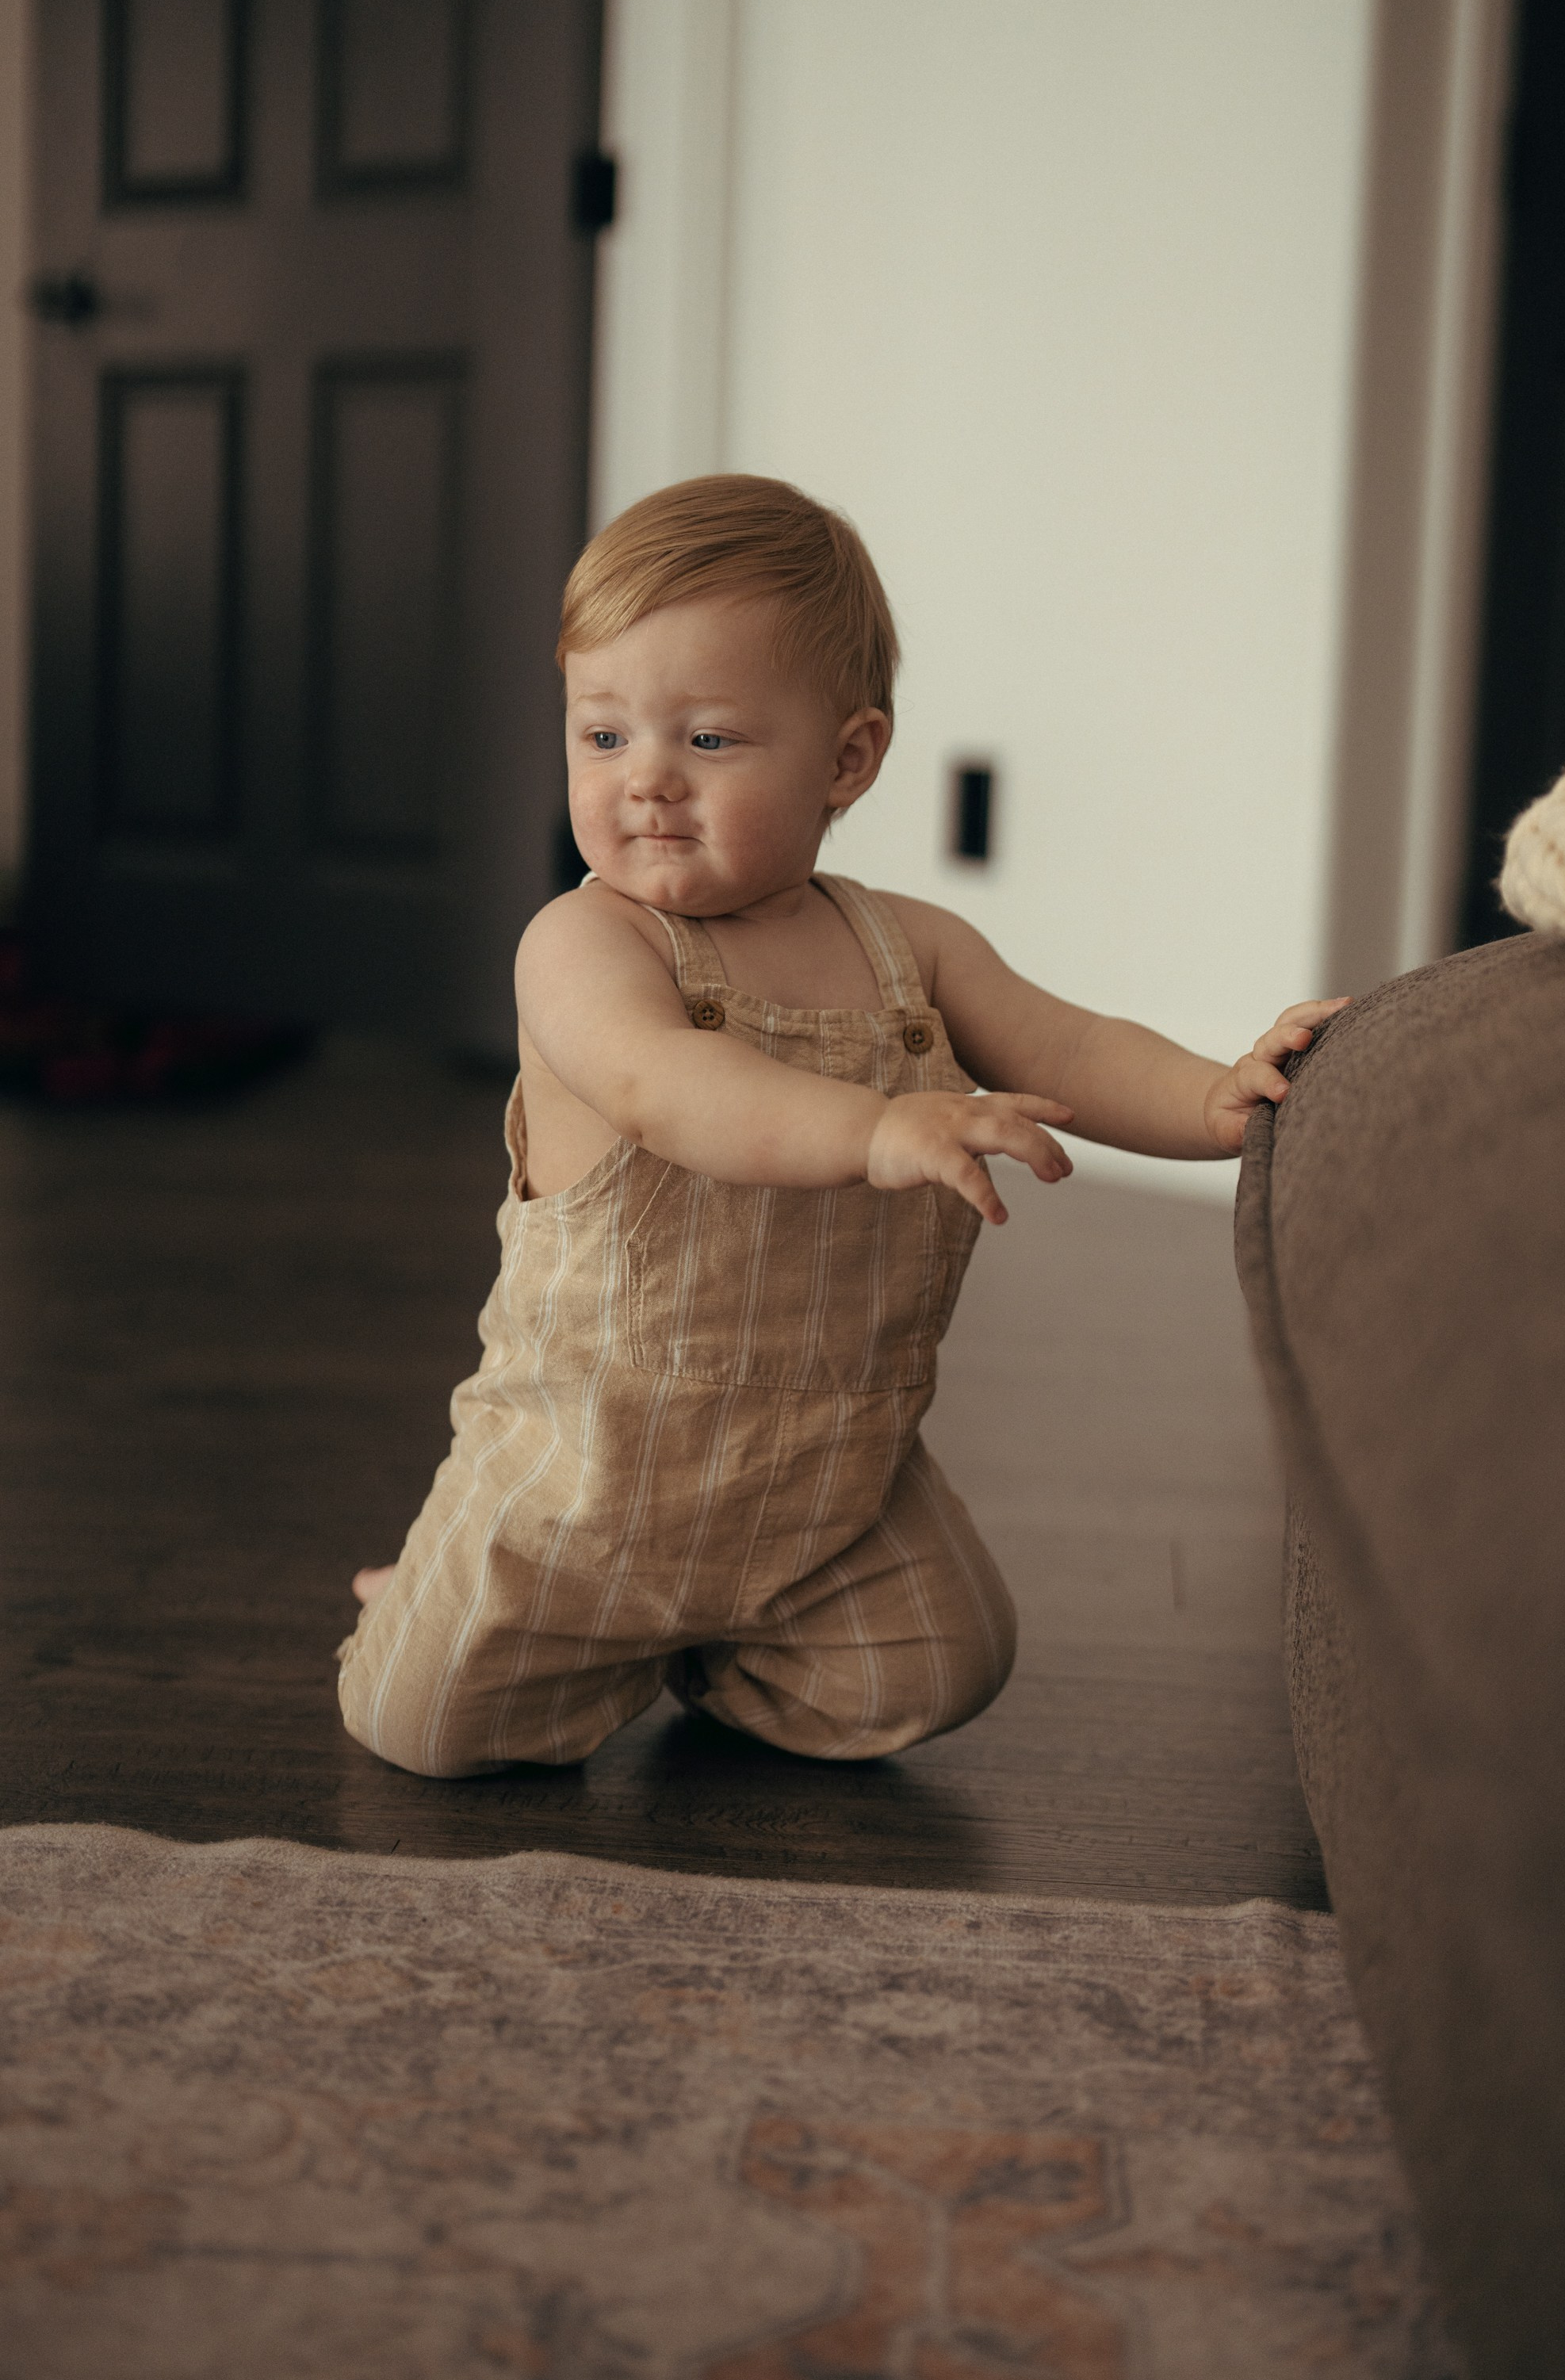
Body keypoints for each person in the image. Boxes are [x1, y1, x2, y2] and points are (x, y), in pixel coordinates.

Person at [337, 476, 1344, 1777]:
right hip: (586, 1479)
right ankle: (437, 1586)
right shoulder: (584, 945)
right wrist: (874, 1131)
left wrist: (1211, 1095)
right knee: (419, 1729)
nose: (646, 781)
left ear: (848, 760)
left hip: (819, 1480)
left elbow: (1071, 1048)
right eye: (604, 735)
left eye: (708, 739)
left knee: (948, 1664)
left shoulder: (910, 946)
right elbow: (662, 1086)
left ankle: (704, 1648)